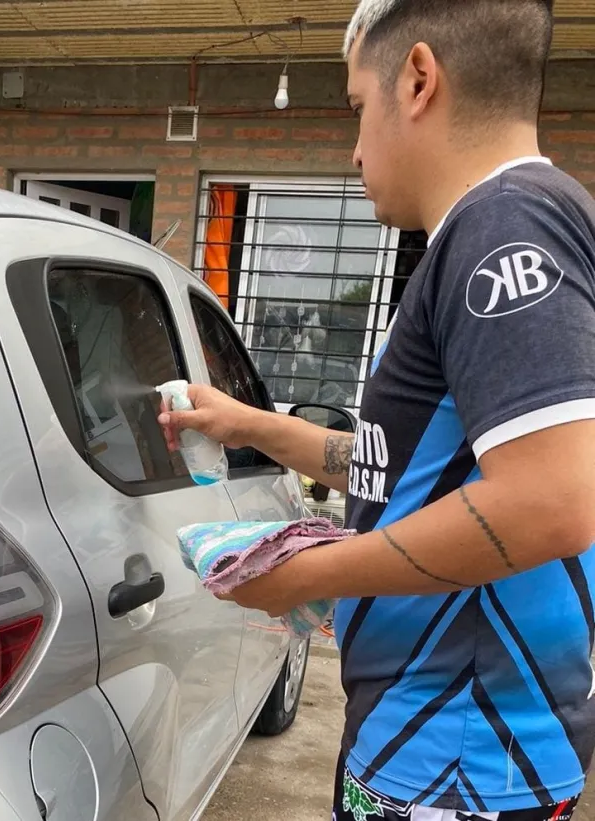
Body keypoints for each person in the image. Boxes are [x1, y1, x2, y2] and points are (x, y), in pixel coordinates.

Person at [159, 1, 595, 818]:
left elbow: (551, 501)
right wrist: (246, 423)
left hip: (458, 765)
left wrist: (298, 576)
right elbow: (399, 468)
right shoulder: (487, 232)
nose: (356, 149)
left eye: (360, 107)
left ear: (420, 79)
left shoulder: (505, 225)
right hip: (427, 751)